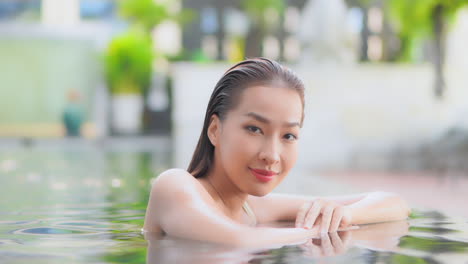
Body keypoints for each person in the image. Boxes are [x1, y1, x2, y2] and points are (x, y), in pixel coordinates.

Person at [143, 58, 410, 247]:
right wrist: (316, 229)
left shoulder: (252, 209)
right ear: (215, 130)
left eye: (288, 136)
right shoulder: (174, 187)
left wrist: (344, 216)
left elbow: (393, 202)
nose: (272, 155)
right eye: (255, 129)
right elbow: (239, 239)